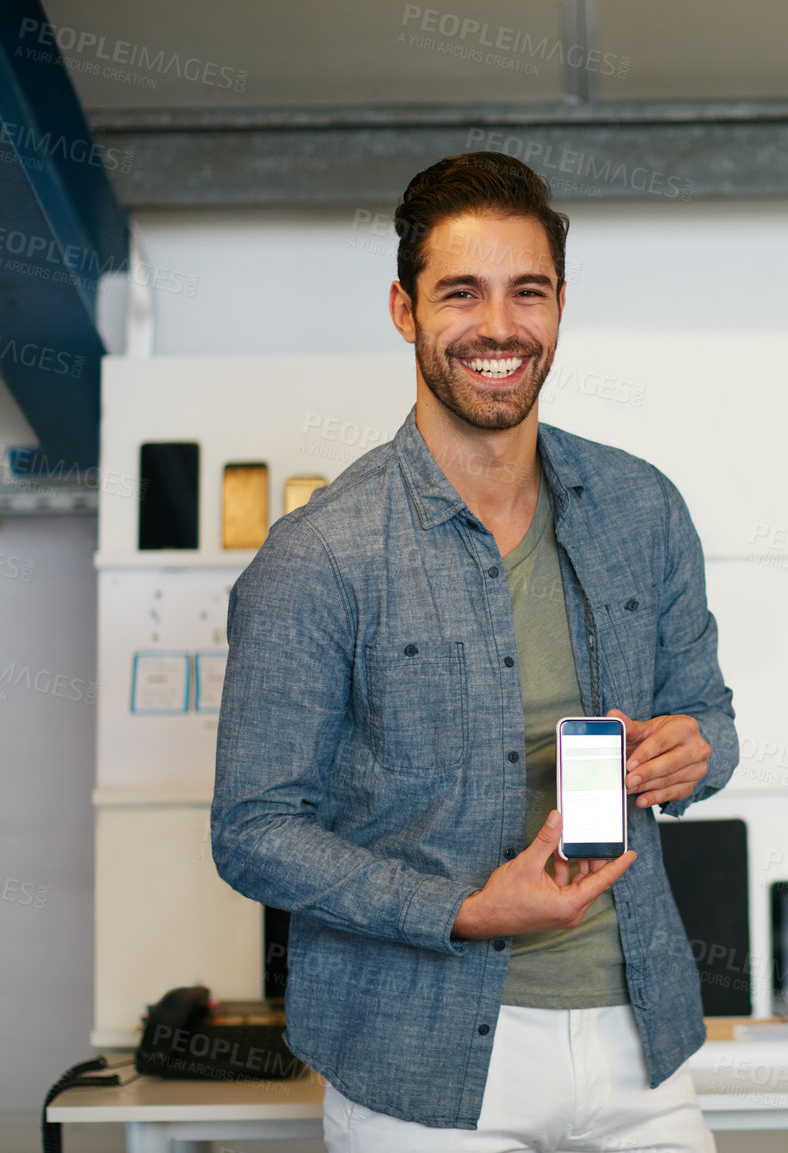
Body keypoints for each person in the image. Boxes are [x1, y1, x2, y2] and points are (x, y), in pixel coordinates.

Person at [210, 151, 737, 1152]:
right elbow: (252, 826)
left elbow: (709, 714)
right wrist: (462, 907)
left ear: (559, 304)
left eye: (525, 291)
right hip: (419, 1059)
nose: (499, 326)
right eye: (463, 293)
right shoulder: (319, 553)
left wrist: (693, 749)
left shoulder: (643, 506)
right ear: (406, 310)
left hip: (640, 1039)